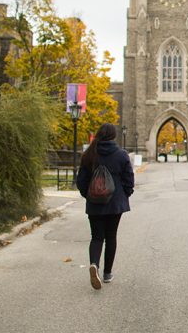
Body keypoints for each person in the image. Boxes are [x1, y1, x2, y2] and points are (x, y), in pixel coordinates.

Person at [76, 123, 135, 290]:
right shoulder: (121, 155)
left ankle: (94, 264)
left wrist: (88, 195)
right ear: (113, 136)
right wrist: (125, 194)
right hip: (115, 203)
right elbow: (129, 179)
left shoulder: (88, 154)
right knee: (111, 236)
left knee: (96, 237)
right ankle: (108, 273)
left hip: (95, 202)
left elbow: (81, 181)